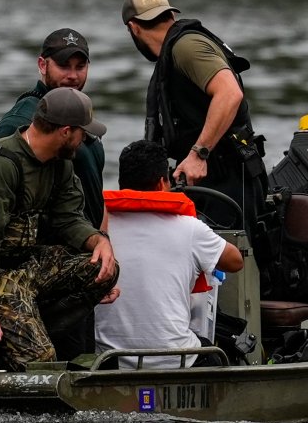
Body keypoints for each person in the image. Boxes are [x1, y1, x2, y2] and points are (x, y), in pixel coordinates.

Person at [0, 88, 119, 371]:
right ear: (66, 132)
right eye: (83, 133)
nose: (85, 141)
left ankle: (23, 331)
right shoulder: (0, 166)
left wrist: (98, 241)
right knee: (40, 362)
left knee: (104, 269)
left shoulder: (60, 164)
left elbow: (69, 219)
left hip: (24, 271)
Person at [0, 28, 108, 361]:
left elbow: (93, 193)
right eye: (63, 66)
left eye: (80, 66)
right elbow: (0, 202)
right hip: (42, 272)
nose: (72, 75)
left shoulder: (80, 116)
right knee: (55, 363)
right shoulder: (21, 122)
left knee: (81, 360)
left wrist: (102, 246)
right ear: (42, 65)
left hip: (77, 261)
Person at [120, 0, 269, 238]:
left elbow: (230, 94)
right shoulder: (175, 50)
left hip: (228, 179)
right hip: (209, 180)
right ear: (170, 16)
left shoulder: (186, 47)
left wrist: (199, 154)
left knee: (228, 269)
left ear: (133, 27)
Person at [94, 140, 244, 369]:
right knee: (223, 349)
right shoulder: (190, 228)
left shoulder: (97, 230)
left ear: (121, 183)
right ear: (162, 183)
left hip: (109, 361)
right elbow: (235, 261)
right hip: (176, 358)